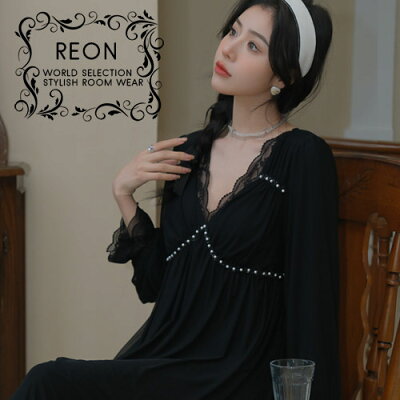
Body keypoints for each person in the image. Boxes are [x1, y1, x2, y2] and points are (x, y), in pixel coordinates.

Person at [11, 0, 340, 399]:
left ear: (284, 76)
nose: (228, 48)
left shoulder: (303, 157)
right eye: (233, 31)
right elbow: (156, 286)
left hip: (241, 374)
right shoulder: (187, 152)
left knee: (47, 382)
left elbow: (313, 296)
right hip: (169, 363)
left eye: (253, 45)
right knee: (48, 381)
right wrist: (124, 194)